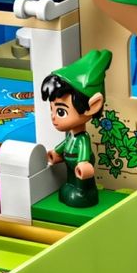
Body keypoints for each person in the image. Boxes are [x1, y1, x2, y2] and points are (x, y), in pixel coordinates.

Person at [40, 49, 109, 208]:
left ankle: (85, 193)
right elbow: (66, 144)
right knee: (70, 180)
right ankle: (72, 186)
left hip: (80, 164)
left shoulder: (82, 138)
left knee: (82, 184)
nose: (53, 117)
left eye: (61, 112)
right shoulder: (70, 135)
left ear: (92, 106)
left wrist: (83, 162)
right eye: (52, 110)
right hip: (70, 164)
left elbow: (83, 150)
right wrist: (56, 153)